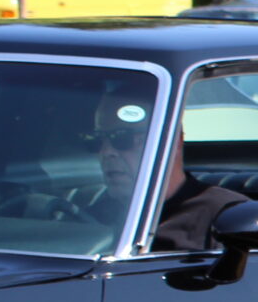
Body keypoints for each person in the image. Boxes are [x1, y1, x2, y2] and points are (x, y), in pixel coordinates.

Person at [92, 95, 248, 251]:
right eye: (96, 140)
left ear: (173, 141)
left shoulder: (228, 218)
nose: (106, 152)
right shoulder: (95, 214)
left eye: (122, 137)